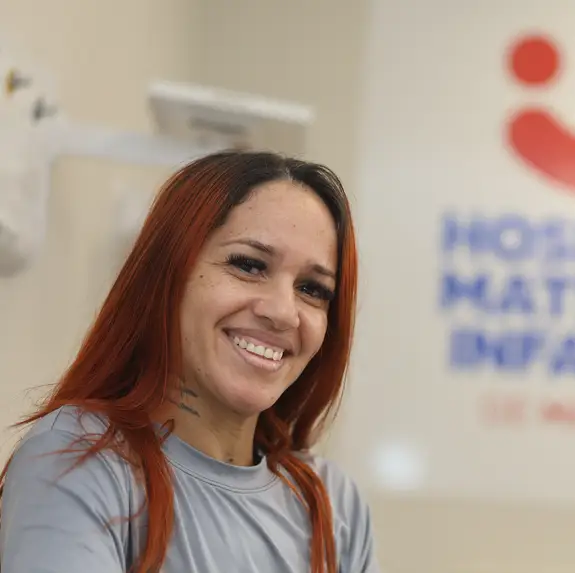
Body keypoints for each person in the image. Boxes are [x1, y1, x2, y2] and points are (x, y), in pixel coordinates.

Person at [0, 151, 378, 573]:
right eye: (249, 265)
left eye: (312, 289)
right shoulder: (80, 458)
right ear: (168, 274)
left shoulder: (333, 506)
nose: (283, 312)